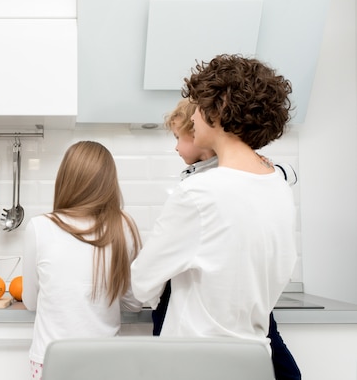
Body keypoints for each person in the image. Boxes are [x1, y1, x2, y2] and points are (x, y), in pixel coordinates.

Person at [131, 54, 298, 354]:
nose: (193, 117)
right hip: (254, 360)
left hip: (196, 362)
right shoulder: (279, 186)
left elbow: (142, 281)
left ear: (218, 110)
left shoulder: (199, 193)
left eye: (198, 106)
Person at [152, 97, 301, 380]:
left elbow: (286, 174)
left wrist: (267, 169)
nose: (175, 146)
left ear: (197, 135)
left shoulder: (223, 176)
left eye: (178, 136)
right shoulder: (197, 179)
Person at [22, 141, 143, 380]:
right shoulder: (124, 226)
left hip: (52, 362)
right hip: (106, 363)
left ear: (65, 179)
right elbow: (134, 303)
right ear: (110, 182)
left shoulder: (39, 227)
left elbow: (31, 302)